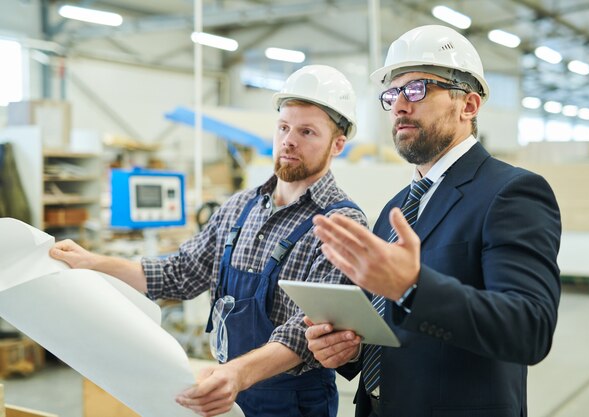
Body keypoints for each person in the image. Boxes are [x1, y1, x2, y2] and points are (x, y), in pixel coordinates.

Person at [50, 64, 368, 417]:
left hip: (291, 401)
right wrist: (94, 263)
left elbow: (308, 331)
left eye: (307, 131)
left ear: (337, 144)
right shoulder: (239, 207)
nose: (289, 140)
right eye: (283, 127)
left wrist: (237, 373)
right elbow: (180, 273)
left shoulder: (343, 223)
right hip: (228, 386)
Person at [304, 25, 561, 417]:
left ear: (469, 105)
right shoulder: (395, 209)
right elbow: (392, 330)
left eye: (418, 88)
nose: (401, 106)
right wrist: (348, 349)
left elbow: (529, 328)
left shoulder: (512, 193)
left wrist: (412, 287)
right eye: (393, 94)